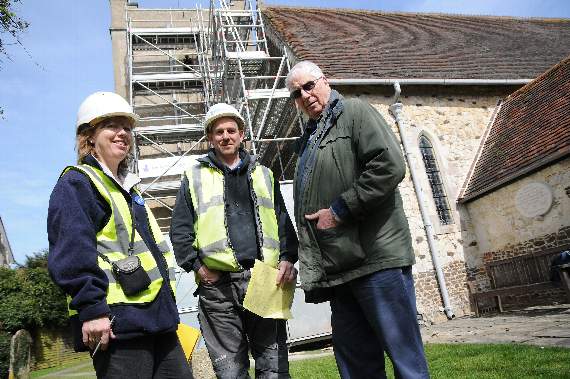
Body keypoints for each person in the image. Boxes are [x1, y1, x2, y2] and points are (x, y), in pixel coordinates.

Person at [286, 61, 430, 379]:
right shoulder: (308, 141)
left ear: (325, 82)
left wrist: (339, 210)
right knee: (357, 368)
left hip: (376, 260)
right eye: (297, 93)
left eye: (309, 85)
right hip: (340, 270)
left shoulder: (354, 112)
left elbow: (389, 166)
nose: (305, 95)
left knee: (405, 359)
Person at [47, 91, 193, 378]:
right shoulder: (77, 184)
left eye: (127, 127)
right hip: (116, 324)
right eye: (112, 125)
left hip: (158, 320)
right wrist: (92, 310)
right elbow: (72, 253)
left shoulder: (129, 190)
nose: (122, 133)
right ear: (89, 136)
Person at [170, 102, 298, 379]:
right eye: (219, 132)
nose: (226, 136)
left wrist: (288, 257)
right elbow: (180, 230)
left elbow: (283, 220)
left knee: (273, 365)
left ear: (241, 135)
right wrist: (197, 266)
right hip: (218, 287)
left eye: (231, 130)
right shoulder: (194, 176)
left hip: (265, 280)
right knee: (230, 370)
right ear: (210, 138)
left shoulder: (264, 174)